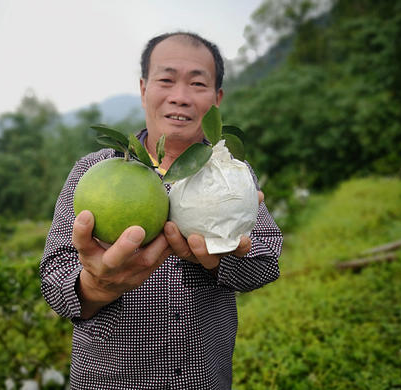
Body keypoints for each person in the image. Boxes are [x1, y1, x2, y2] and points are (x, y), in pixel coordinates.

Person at [40, 31, 283, 390]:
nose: (180, 97)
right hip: (108, 380)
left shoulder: (233, 178)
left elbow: (266, 262)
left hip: (204, 378)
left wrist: (218, 258)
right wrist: (95, 285)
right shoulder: (94, 173)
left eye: (197, 83)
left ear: (216, 99)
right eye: (166, 80)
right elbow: (54, 278)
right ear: (143, 89)